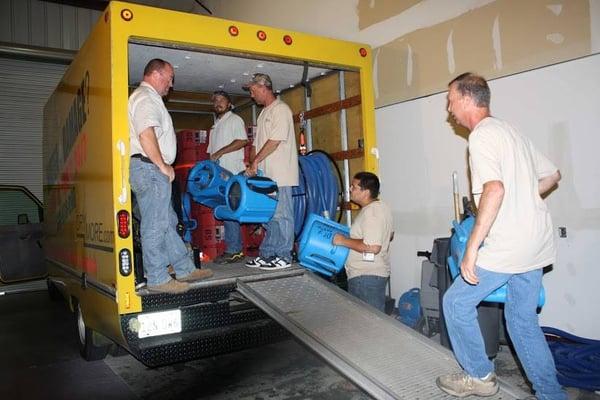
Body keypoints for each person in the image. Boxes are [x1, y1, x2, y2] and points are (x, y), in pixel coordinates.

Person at [437, 72, 565, 399]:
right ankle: (551, 394)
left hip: (510, 245)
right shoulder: (511, 131)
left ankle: (480, 376)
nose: (449, 109)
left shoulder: (481, 136)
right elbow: (553, 175)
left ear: (467, 98)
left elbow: (494, 189)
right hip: (536, 243)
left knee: (455, 302)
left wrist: (472, 249)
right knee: (522, 322)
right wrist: (522, 199)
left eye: (451, 100)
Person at [129, 58, 213, 294]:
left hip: (150, 168)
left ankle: (184, 268)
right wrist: (162, 165)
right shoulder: (146, 98)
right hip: (150, 167)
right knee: (155, 224)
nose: (171, 84)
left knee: (167, 222)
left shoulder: (147, 98)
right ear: (156, 75)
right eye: (169, 78)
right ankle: (156, 277)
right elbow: (146, 134)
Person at [242, 73, 298, 270]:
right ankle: (268, 254)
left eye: (252, 90)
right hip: (266, 178)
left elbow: (274, 141)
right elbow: (257, 145)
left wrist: (256, 161)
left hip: (281, 175)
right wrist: (251, 165)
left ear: (263, 87)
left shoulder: (281, 110)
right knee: (269, 217)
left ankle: (283, 255)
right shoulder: (264, 113)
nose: (251, 95)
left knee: (282, 215)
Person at [332, 172, 393, 312]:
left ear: (365, 192)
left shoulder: (372, 212)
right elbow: (390, 235)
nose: (350, 190)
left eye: (354, 187)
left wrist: (342, 241)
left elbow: (373, 247)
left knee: (369, 324)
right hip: (371, 276)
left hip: (365, 277)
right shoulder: (382, 207)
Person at [207, 90, 248, 264]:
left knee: (231, 211)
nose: (218, 103)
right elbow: (210, 154)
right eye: (215, 101)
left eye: (222, 100)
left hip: (232, 173)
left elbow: (242, 140)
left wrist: (220, 152)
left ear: (229, 104)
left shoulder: (234, 120)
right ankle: (233, 248)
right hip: (220, 176)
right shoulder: (215, 127)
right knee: (226, 211)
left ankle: (235, 250)